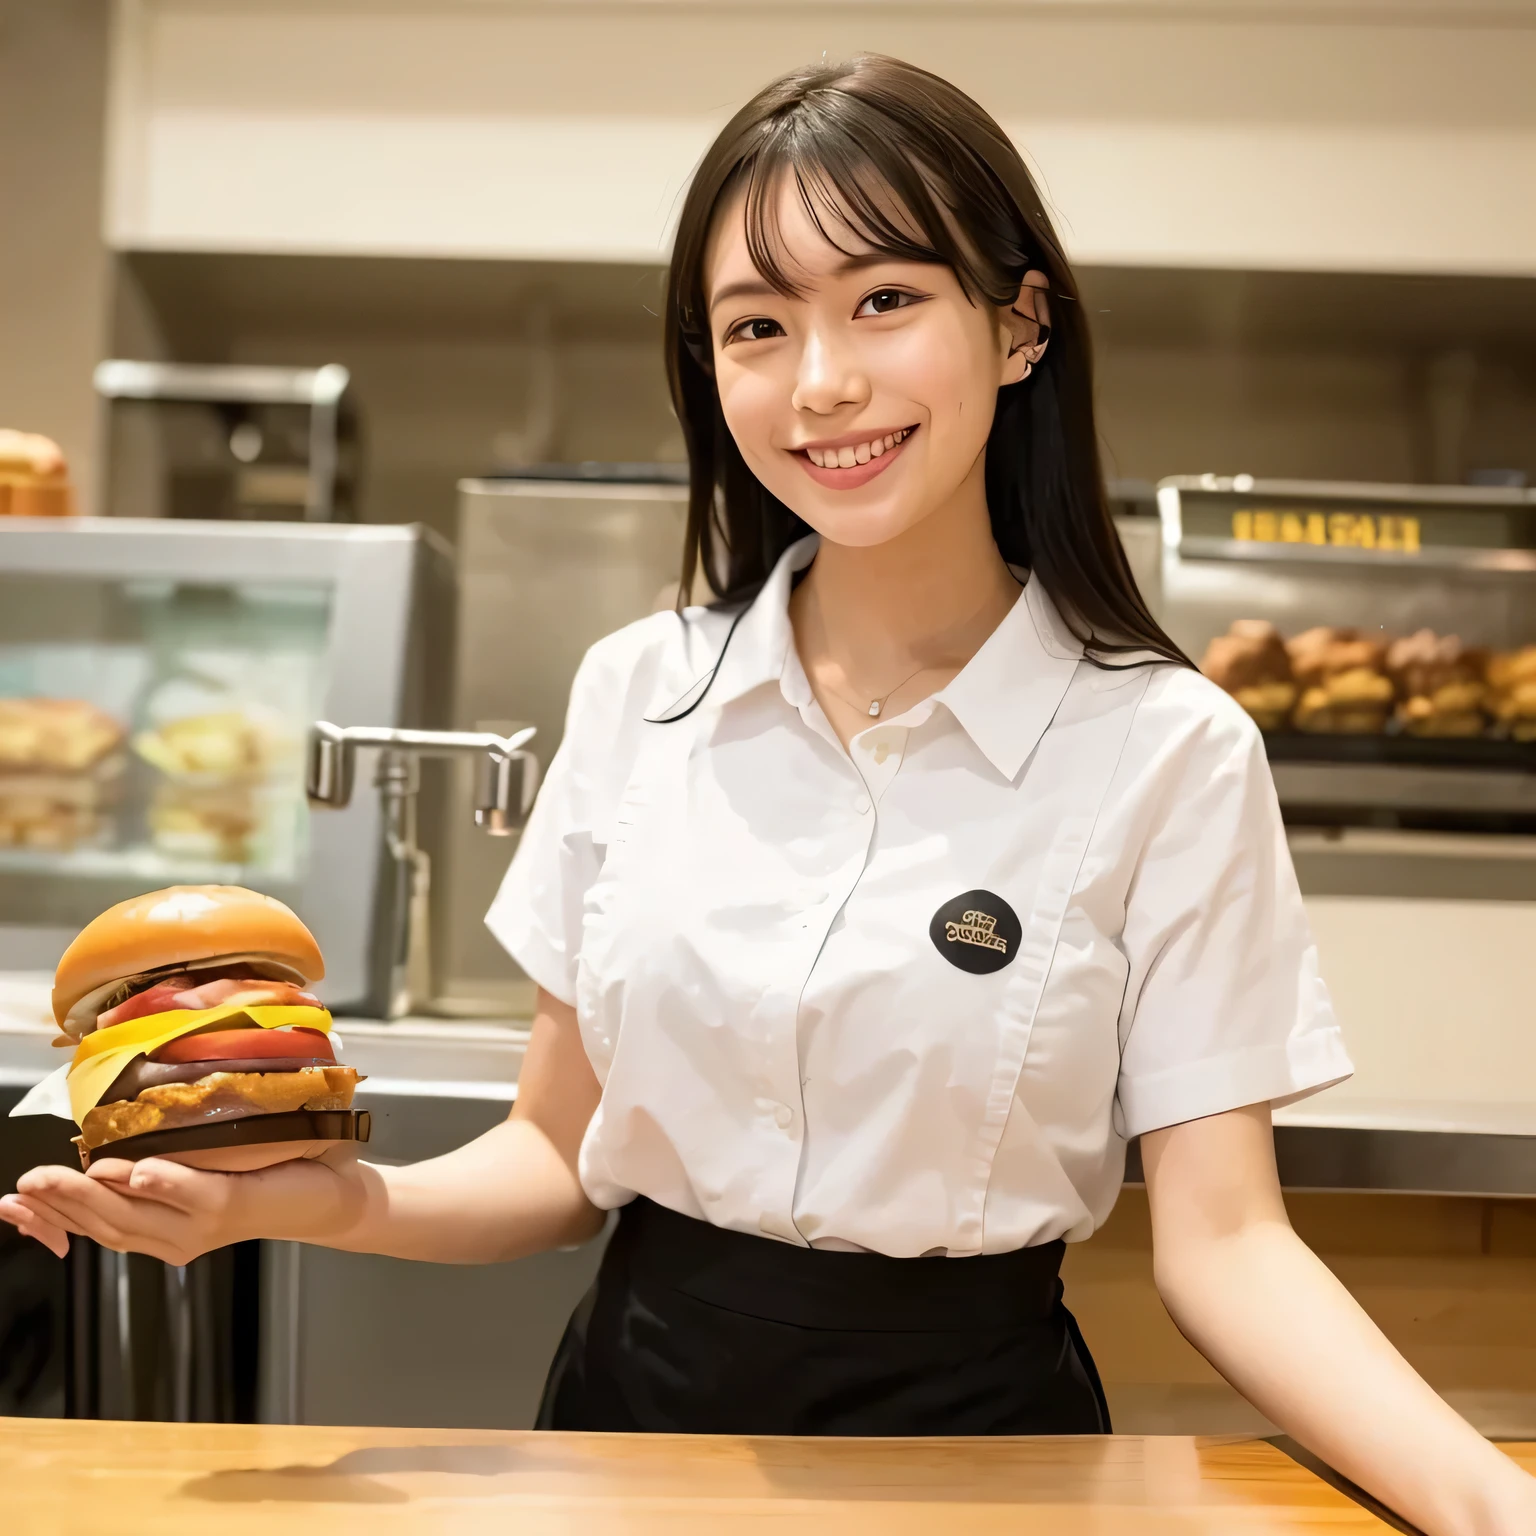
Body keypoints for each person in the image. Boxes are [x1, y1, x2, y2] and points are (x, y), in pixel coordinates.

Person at [5, 54, 1533, 1533]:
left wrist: (1489, 1505)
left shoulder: (1168, 750)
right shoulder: (638, 692)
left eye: (885, 300)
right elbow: (554, 1157)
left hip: (983, 1463)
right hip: (628, 1436)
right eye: (756, 326)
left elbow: (1232, 1249)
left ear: (1019, 325)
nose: (822, 383)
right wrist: (296, 1201)